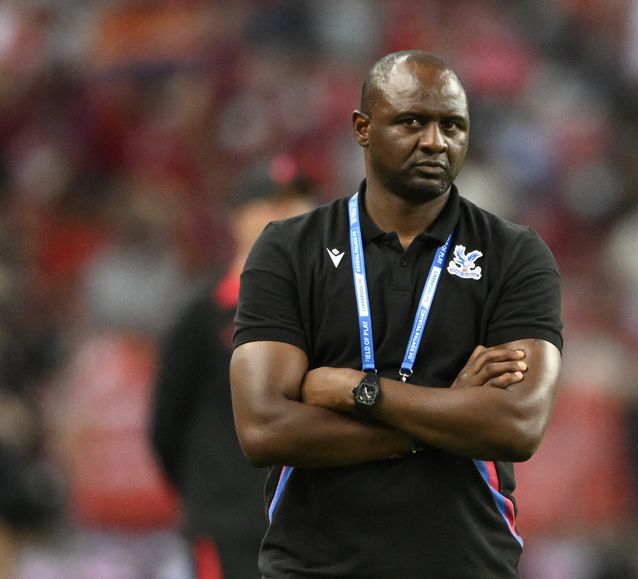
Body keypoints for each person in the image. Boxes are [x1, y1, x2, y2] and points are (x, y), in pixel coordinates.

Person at [231, 50, 563, 578]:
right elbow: (265, 429)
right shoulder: (289, 248)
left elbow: (517, 424)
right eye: (413, 121)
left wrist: (359, 392)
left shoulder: (514, 255)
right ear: (363, 128)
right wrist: (449, 411)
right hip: (314, 567)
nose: (435, 141)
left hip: (465, 564)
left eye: (453, 125)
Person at [150, 164, 314, 579]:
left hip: (309, 524)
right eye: (272, 203)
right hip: (229, 524)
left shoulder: (330, 312)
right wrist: (208, 495)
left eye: (298, 201)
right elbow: (166, 424)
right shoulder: (203, 315)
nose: (289, 213)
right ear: (238, 218)